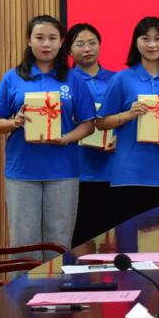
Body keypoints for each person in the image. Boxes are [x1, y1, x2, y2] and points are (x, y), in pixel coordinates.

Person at [0, 15, 96, 259]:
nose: (46, 44)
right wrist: (15, 122)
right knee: (23, 243)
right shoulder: (12, 77)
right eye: (39, 38)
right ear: (29, 40)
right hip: (22, 172)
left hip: (63, 172)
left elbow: (88, 125)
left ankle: (57, 286)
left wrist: (65, 139)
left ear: (61, 42)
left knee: (59, 242)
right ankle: (21, 287)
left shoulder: (73, 78)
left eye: (52, 38)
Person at [96, 17, 159, 226]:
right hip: (130, 174)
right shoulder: (122, 79)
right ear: (136, 44)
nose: (152, 44)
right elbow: (101, 123)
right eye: (145, 38)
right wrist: (127, 115)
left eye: (158, 38)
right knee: (131, 237)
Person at [66, 23, 121, 245]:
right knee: (80, 237)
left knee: (112, 238)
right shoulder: (63, 81)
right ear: (69, 50)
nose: (87, 48)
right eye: (79, 44)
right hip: (76, 169)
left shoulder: (117, 79)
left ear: (100, 45)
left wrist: (120, 139)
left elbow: (128, 118)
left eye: (92, 43)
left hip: (112, 170)